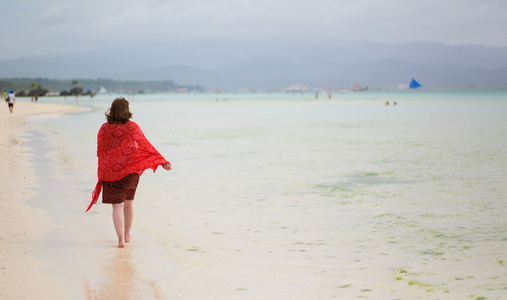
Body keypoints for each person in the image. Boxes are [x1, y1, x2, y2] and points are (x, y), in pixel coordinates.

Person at [86, 97, 172, 248]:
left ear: (111, 110)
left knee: (117, 206)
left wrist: (103, 168)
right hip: (130, 171)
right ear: (127, 110)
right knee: (129, 204)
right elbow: (145, 144)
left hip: (111, 172)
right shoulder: (132, 127)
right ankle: (127, 235)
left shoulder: (104, 128)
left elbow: (101, 150)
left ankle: (120, 240)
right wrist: (162, 161)